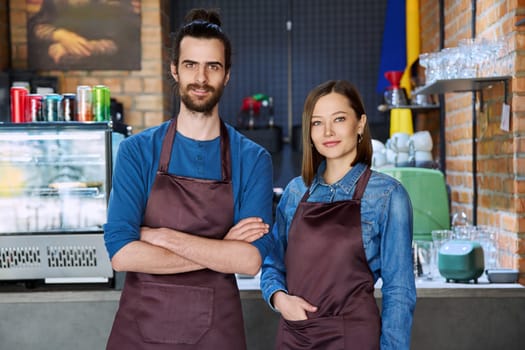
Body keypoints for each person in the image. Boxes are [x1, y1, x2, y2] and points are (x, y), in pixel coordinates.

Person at [103, 8, 275, 349]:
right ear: (174, 70)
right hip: (140, 332)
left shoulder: (253, 159)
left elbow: (249, 260)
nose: (201, 78)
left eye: (213, 66)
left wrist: (161, 237)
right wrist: (222, 248)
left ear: (226, 75)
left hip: (217, 335)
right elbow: (122, 254)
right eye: (190, 65)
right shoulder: (137, 151)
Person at [260, 80, 416, 349]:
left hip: (352, 337)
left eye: (339, 119)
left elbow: (399, 291)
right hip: (294, 337)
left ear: (360, 123)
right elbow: (273, 263)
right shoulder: (296, 192)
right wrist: (279, 299)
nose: (328, 131)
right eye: (317, 122)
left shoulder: (388, 195)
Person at [27, 0, 141, 70]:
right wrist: (59, 35)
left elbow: (125, 37)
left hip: (103, 65)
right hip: (57, 68)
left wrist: (72, 48)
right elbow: (37, 26)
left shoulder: (114, 4)